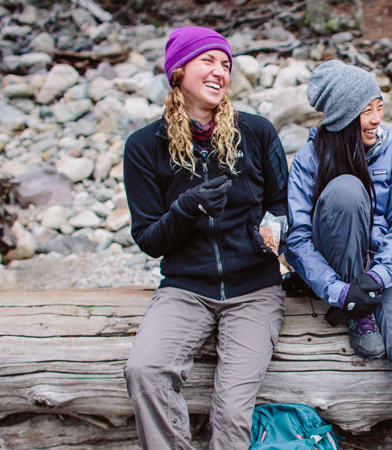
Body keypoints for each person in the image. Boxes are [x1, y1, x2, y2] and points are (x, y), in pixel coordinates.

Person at [122, 26, 289, 449]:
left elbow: (284, 204)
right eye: (208, 61)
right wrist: (185, 208)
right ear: (179, 71)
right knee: (145, 371)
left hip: (254, 289)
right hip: (185, 289)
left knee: (233, 412)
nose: (220, 72)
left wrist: (267, 234)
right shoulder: (144, 146)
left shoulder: (255, 133)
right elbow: (148, 238)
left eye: (226, 64)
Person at [284, 60, 392, 449]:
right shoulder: (309, 160)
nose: (375, 119)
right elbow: (298, 239)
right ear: (341, 119)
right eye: (364, 112)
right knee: (348, 190)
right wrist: (339, 292)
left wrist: (380, 275)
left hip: (388, 269)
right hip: (337, 261)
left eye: (379, 107)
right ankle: (359, 312)